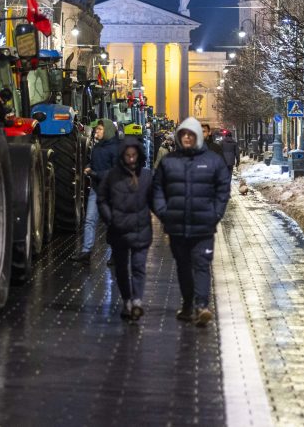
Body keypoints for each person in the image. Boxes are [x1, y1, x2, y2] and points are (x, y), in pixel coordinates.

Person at [152, 117, 231, 326]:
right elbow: (157, 188)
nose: (186, 137)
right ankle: (188, 304)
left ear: (197, 136)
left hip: (204, 225)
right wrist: (163, 212)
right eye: (183, 134)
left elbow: (223, 189)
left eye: (190, 134)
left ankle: (202, 305)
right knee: (184, 268)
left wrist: (215, 214)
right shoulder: (169, 161)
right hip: (177, 225)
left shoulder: (213, 161)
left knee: (202, 265)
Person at [98, 137, 153, 321]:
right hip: (119, 230)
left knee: (138, 267)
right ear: (122, 156)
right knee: (121, 268)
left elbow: (155, 199)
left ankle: (136, 300)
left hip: (140, 229)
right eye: (128, 155)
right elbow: (102, 199)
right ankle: (127, 299)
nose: (131, 159)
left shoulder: (146, 176)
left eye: (134, 155)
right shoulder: (112, 176)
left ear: (138, 155)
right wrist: (110, 218)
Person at [72, 118, 120, 264]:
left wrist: (94, 174)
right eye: (96, 129)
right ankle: (86, 252)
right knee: (89, 220)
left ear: (107, 131)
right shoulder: (97, 147)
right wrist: (88, 166)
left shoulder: (116, 149)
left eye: (99, 129)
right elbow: (94, 163)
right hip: (96, 189)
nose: (96, 131)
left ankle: (115, 254)